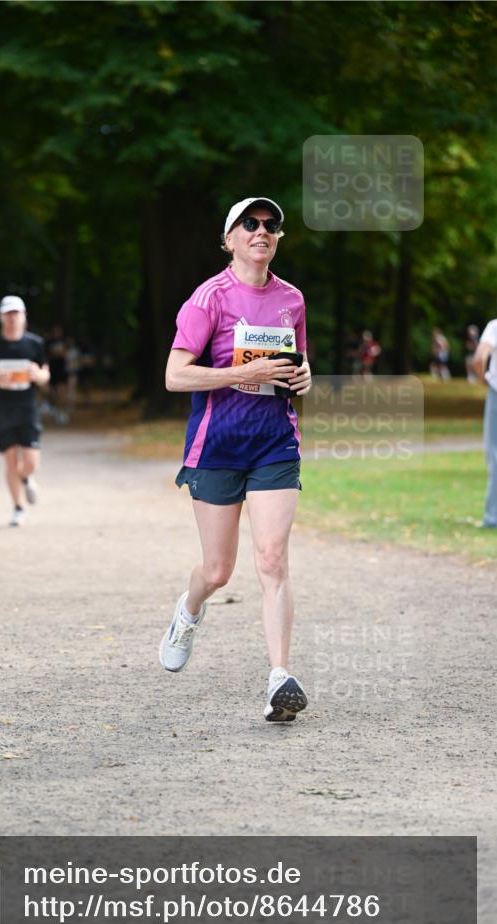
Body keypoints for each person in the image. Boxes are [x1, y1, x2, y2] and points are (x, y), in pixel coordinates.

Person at [159, 197, 312, 723]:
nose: (262, 231)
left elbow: (295, 363)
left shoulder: (291, 299)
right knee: (219, 570)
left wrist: (303, 376)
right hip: (217, 446)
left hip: (273, 442)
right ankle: (189, 609)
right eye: (250, 223)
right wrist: (237, 374)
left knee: (272, 559)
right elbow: (175, 376)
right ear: (229, 239)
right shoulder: (208, 299)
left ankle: (279, 678)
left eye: (271, 225)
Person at [0, 295, 50, 526]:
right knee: (10, 460)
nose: (12, 318)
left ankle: (27, 477)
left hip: (28, 408)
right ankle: (18, 507)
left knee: (31, 462)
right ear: (0, 317)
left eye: (16, 313)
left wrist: (38, 375)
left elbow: (46, 376)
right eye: (8, 314)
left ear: (24, 316)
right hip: (3, 409)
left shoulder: (35, 343)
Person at [473, 318, 497, 529]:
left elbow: (480, 358)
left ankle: (493, 517)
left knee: (495, 454)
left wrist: (482, 379)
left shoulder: (495, 326)